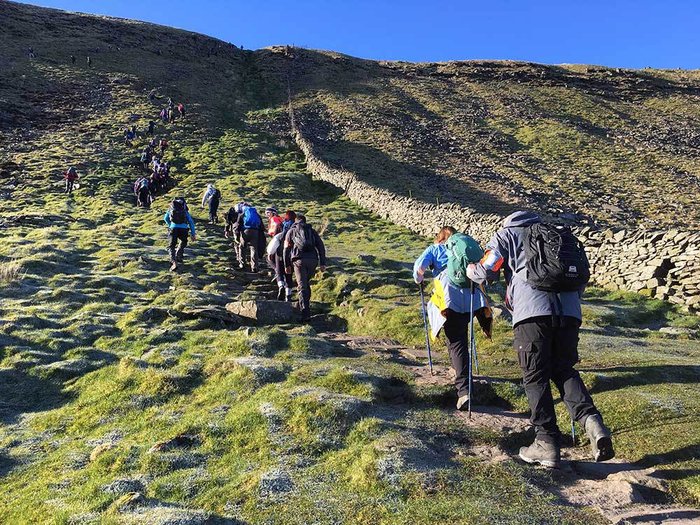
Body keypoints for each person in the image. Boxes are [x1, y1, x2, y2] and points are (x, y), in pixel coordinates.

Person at [467, 211, 614, 468]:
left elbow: (486, 269)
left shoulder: (507, 234)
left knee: (534, 376)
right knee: (564, 369)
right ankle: (592, 421)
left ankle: (545, 442)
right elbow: (579, 279)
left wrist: (470, 269)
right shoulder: (557, 236)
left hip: (531, 315)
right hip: (569, 313)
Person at [419, 230, 490, 410]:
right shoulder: (467, 246)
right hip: (474, 297)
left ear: (440, 238)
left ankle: (464, 391)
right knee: (461, 337)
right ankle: (459, 372)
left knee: (456, 341)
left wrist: (420, 277)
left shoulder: (434, 249)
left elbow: (418, 270)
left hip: (450, 299)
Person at [284, 214, 326, 322]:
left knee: (302, 285)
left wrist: (287, 265)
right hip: (313, 260)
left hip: (299, 261)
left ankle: (305, 313)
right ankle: (304, 305)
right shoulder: (312, 231)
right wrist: (322, 263)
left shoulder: (292, 231)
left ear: (295, 221)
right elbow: (320, 246)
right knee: (305, 283)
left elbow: (286, 250)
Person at [268, 210, 296, 301]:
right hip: (292, 254)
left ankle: (281, 286)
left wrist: (270, 253)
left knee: (279, 271)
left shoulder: (281, 225)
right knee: (289, 274)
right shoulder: (296, 227)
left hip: (279, 252)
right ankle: (288, 295)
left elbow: (275, 238)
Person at [164, 197, 196, 271]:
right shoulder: (184, 210)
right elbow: (191, 221)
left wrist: (170, 225)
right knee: (183, 241)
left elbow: (165, 218)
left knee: (171, 246)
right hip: (184, 229)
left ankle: (174, 261)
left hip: (173, 228)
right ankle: (179, 254)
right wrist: (193, 233)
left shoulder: (171, 208)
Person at [235, 203, 263, 272]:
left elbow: (238, 225)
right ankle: (254, 267)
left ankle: (242, 264)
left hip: (245, 231)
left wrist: (237, 235)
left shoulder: (242, 214)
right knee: (254, 249)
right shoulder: (256, 214)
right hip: (255, 232)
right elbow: (261, 226)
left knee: (242, 247)